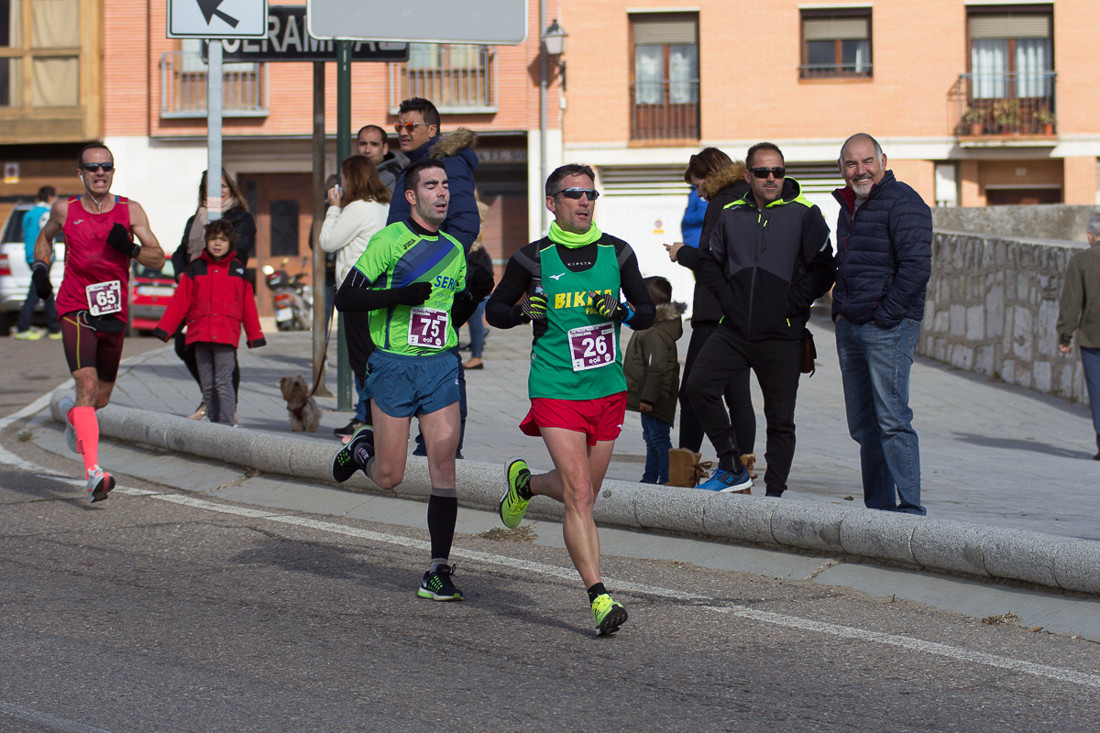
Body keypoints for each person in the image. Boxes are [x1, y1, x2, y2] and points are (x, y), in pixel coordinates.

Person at [487, 164, 655, 636]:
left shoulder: (617, 253)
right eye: (574, 194)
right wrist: (522, 311)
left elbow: (645, 314)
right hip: (555, 388)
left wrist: (620, 310)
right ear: (552, 203)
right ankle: (599, 597)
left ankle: (526, 485)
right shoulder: (532, 259)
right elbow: (495, 312)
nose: (585, 201)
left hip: (607, 390)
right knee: (580, 494)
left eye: (591, 194)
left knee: (582, 492)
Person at [329, 158, 471, 602]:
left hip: (440, 365)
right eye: (431, 185)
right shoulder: (390, 240)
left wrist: (475, 294)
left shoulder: (455, 249)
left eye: (446, 184)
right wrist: (401, 295)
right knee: (390, 477)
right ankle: (361, 449)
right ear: (412, 196)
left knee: (443, 465)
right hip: (392, 365)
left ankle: (437, 569)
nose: (442, 192)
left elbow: (451, 314)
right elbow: (347, 297)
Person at [690, 142, 834, 496]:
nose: (771, 179)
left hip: (782, 335)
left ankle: (774, 496)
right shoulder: (732, 212)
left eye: (778, 172)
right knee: (697, 386)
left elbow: (824, 266)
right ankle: (731, 466)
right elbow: (709, 259)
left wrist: (793, 304)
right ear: (747, 175)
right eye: (763, 172)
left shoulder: (805, 212)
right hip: (735, 330)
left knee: (780, 420)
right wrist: (727, 297)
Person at [32, 142, 165, 501]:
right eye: (93, 168)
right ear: (81, 173)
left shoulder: (130, 210)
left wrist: (132, 248)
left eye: (106, 166)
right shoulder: (65, 209)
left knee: (99, 399)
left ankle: (68, 411)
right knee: (87, 385)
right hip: (75, 306)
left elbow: (157, 260)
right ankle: (93, 473)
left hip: (113, 311)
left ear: (113, 171)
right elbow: (43, 241)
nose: (100, 173)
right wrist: (41, 269)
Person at [832, 133, 932, 515]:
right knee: (863, 425)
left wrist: (885, 316)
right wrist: (841, 308)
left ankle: (909, 509)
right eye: (852, 164)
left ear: (883, 161)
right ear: (842, 169)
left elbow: (916, 269)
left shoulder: (904, 202)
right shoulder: (850, 205)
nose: (861, 170)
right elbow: (848, 261)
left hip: (887, 326)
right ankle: (878, 510)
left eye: (867, 161)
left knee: (892, 420)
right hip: (851, 324)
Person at [665, 148, 757, 476]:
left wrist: (683, 252)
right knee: (736, 393)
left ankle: (685, 470)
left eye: (698, 185)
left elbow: (710, 261)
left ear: (709, 174)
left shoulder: (720, 204)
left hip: (715, 310)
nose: (699, 194)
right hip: (744, 311)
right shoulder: (747, 198)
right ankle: (741, 470)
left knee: (692, 389)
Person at [153, 219, 266, 424]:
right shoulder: (195, 268)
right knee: (207, 384)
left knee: (223, 382)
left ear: (230, 243)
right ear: (206, 241)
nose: (217, 244)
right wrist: (165, 329)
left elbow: (248, 305)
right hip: (200, 334)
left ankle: (225, 425)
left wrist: (255, 335)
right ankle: (212, 427)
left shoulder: (238, 270)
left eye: (222, 240)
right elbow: (180, 301)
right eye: (213, 239)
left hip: (225, 335)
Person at [171, 169, 257, 422]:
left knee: (223, 350)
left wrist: (214, 220)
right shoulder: (195, 219)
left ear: (231, 188)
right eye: (211, 187)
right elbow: (180, 252)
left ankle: (228, 405)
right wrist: (182, 275)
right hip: (195, 290)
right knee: (184, 344)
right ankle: (210, 398)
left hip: (222, 293)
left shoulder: (241, 218)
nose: (218, 192)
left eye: (222, 186)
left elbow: (237, 252)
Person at [320, 154, 391, 438]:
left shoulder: (357, 208)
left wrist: (334, 209)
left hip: (356, 290)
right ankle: (369, 418)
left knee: (362, 361)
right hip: (378, 289)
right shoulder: (383, 205)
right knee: (372, 357)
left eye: (344, 178)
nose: (342, 184)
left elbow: (328, 242)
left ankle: (371, 421)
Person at [386, 97, 480, 250]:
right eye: (399, 127)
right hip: (407, 267)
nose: (403, 132)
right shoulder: (415, 165)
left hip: (432, 269)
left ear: (431, 130)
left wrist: (439, 262)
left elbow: (464, 221)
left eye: (410, 126)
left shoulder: (448, 164)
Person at [624, 276, 685, 485]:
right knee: (650, 438)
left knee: (658, 439)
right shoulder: (651, 326)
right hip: (651, 396)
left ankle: (666, 478)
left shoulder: (654, 332)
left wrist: (648, 399)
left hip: (656, 397)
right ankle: (650, 478)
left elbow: (656, 367)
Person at [1056, 213, 1100, 460]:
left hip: (1093, 336)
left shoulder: (1081, 261)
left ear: (1090, 235)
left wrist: (1065, 335)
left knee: (1097, 390)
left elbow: (1071, 302)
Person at [15, 186, 60, 340]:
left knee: (45, 290)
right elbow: (46, 234)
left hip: (29, 255)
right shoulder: (46, 213)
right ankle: (23, 328)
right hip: (42, 257)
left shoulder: (28, 214)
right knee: (35, 292)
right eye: (54, 197)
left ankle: (54, 328)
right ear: (49, 197)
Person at [462, 199, 492, 371]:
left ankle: (476, 356)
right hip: (476, 263)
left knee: (474, 313)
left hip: (476, 264)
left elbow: (483, 208)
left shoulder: (473, 210)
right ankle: (476, 354)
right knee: (474, 313)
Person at [356, 124, 407, 193]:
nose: (367, 150)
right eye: (363, 144)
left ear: (385, 148)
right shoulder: (351, 175)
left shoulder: (395, 178)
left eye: (374, 144)